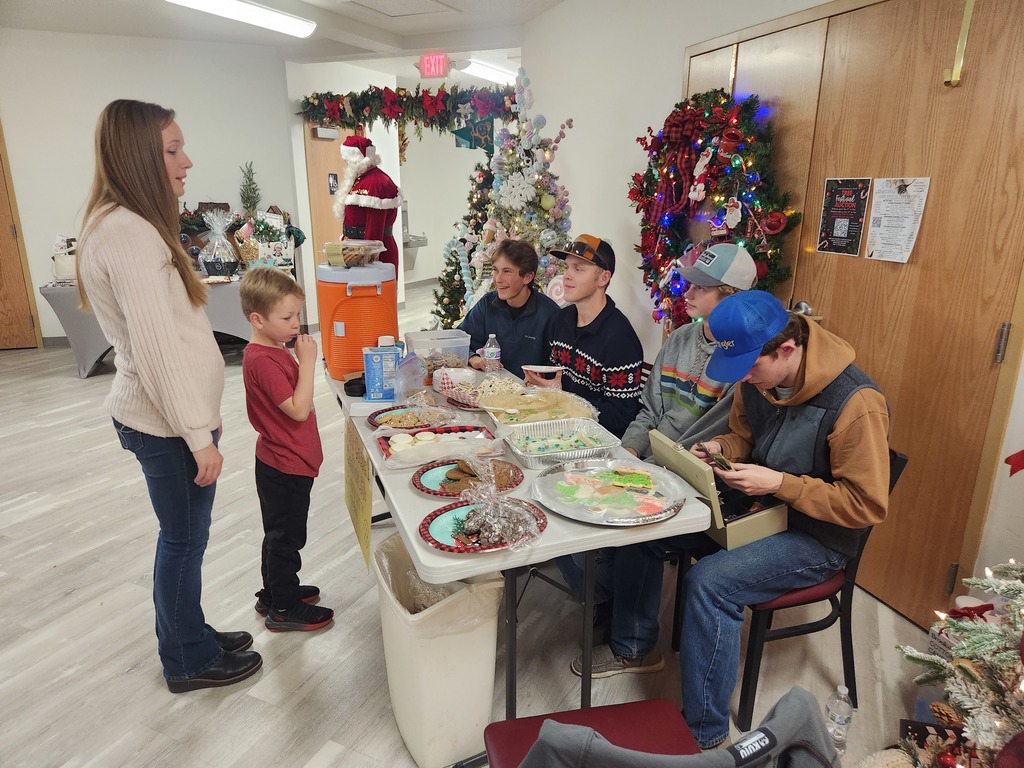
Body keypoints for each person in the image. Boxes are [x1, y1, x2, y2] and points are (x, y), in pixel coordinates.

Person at [573, 290, 891, 751]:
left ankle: (703, 736)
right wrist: (722, 448)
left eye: (749, 367)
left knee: (710, 582)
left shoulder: (856, 403)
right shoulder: (756, 378)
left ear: (787, 349)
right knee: (645, 522)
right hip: (762, 508)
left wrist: (780, 484)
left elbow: (865, 505)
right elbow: (743, 434)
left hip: (819, 537)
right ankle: (636, 647)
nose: (742, 378)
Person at [76, 99, 262, 693]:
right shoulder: (129, 234)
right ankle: (187, 658)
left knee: (185, 538)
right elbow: (156, 352)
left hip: (169, 420)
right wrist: (195, 433)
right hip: (161, 424)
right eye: (172, 150)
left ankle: (192, 631)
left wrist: (202, 420)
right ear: (138, 156)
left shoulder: (123, 223)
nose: (188, 162)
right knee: (183, 541)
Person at [557, 243, 759, 627]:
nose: (688, 293)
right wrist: (629, 451)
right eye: (690, 284)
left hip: (693, 477)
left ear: (732, 298)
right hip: (648, 463)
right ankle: (608, 595)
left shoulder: (744, 364)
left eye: (702, 288)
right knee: (566, 503)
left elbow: (731, 442)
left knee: (630, 531)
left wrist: (644, 471)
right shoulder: (682, 338)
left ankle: (632, 642)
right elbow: (648, 411)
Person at [239, 267, 335, 632]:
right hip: (284, 464)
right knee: (286, 537)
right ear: (258, 319)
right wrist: (308, 363)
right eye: (287, 317)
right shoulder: (262, 359)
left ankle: (274, 591)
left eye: (297, 315)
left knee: (278, 532)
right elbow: (296, 409)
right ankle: (284, 606)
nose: (297, 324)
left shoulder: (275, 349)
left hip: (289, 460)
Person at [523, 234, 644, 439]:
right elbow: (553, 377)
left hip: (596, 441)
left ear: (603, 278)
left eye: (578, 269)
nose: (567, 276)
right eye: (567, 267)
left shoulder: (620, 339)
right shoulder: (560, 319)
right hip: (557, 427)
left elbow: (621, 417)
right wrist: (538, 383)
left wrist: (562, 397)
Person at [458, 239, 560, 378]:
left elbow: (558, 368)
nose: (498, 279)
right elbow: (459, 339)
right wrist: (473, 357)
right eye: (495, 270)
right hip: (490, 390)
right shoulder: (487, 304)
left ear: (528, 277)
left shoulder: (551, 315)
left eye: (507, 271)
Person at [334, 135, 401, 270]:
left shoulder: (376, 183)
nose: (347, 164)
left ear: (358, 159)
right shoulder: (361, 178)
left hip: (372, 255)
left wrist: (367, 261)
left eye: (348, 161)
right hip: (355, 251)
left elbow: (374, 233)